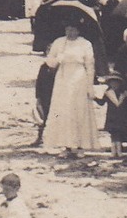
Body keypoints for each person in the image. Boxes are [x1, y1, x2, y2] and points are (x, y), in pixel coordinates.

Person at [42, 24, 101, 155]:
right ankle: (66, 145)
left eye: (73, 29)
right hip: (63, 79)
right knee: (64, 110)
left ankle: (80, 146)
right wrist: (58, 58)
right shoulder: (59, 42)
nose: (70, 32)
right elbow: (50, 62)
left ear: (79, 30)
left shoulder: (85, 44)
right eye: (67, 29)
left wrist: (89, 85)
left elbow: (90, 66)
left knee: (79, 110)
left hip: (79, 78)